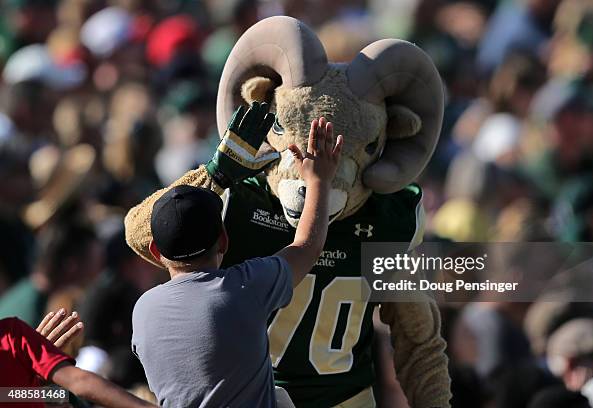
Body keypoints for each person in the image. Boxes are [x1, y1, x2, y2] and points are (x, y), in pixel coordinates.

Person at [131, 107, 343, 407]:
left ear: (155, 251)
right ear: (224, 240)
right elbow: (307, 246)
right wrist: (320, 180)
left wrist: (214, 175)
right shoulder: (243, 289)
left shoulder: (143, 309)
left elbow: (133, 230)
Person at [0, 316, 156, 408]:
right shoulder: (12, 335)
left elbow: (9, 395)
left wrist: (37, 383)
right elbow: (79, 382)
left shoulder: (12, 335)